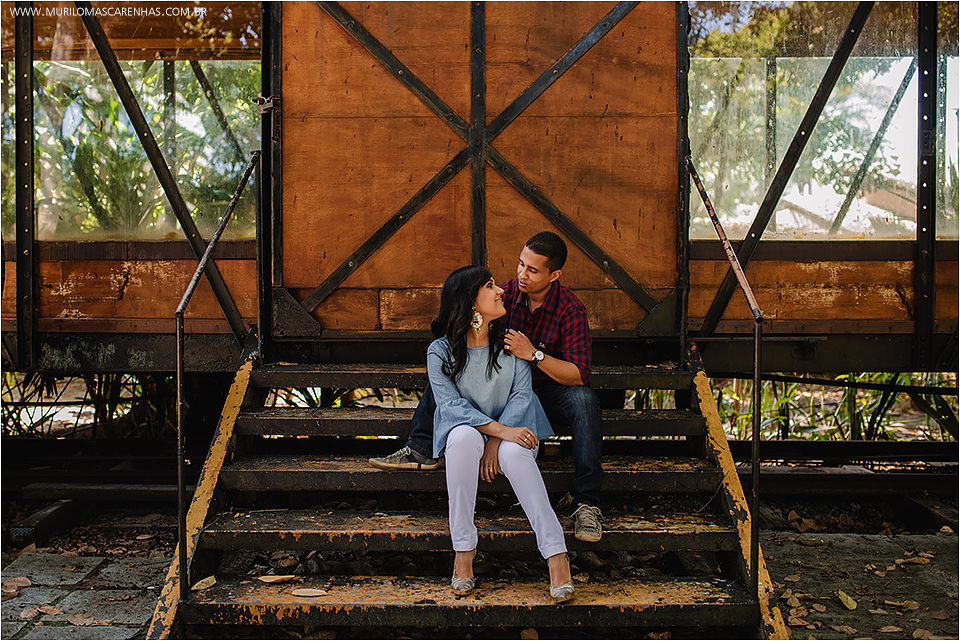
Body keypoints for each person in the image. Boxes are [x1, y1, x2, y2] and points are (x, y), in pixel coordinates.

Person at [371, 232, 604, 543]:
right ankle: (422, 448)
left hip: (544, 390)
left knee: (585, 400)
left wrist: (533, 354)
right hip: (498, 387)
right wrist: (466, 330)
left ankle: (586, 502)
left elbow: (578, 373)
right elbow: (473, 327)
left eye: (532, 270)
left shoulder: (569, 309)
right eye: (521, 264)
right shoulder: (506, 294)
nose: (521, 274)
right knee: (446, 367)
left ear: (554, 275)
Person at [424, 265, 573, 601]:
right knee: (461, 438)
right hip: (473, 433)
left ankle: (556, 554)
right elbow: (451, 407)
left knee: (514, 452)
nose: (501, 290)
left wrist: (498, 439)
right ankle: (463, 552)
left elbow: (522, 397)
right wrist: (497, 431)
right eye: (490, 286)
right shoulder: (440, 352)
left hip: (512, 432)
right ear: (471, 302)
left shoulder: (511, 345)